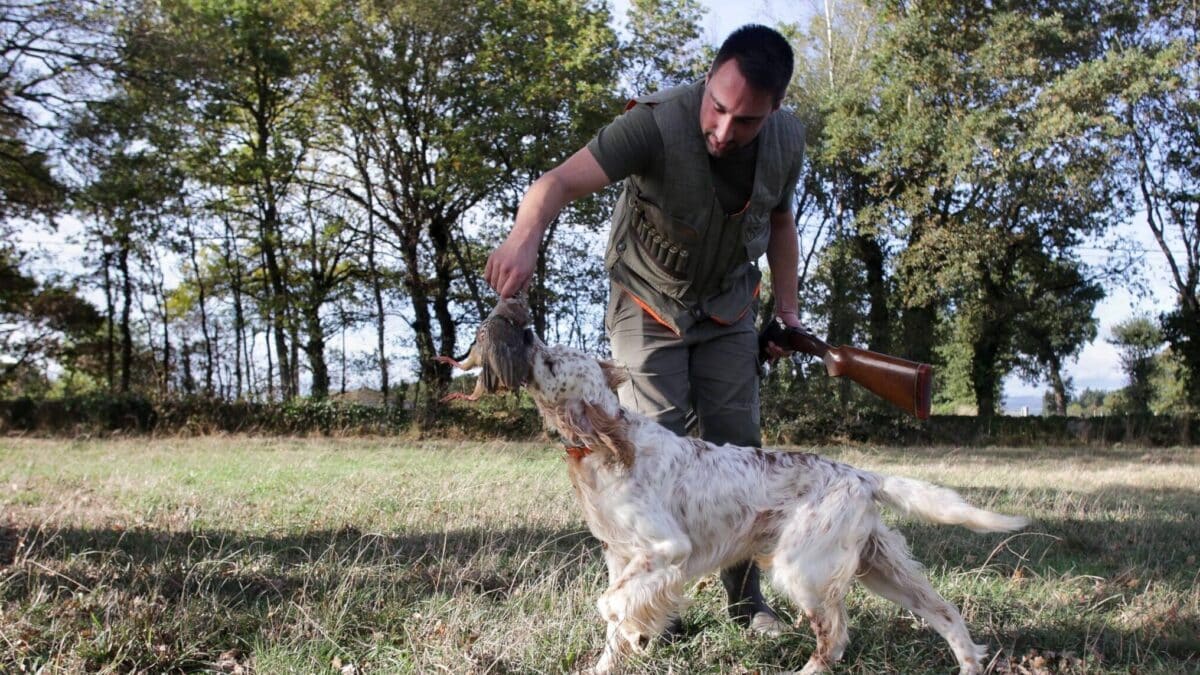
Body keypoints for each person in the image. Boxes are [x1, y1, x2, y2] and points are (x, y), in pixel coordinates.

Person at [485, 24, 806, 636]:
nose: (723, 130)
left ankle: (747, 602)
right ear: (708, 79)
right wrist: (523, 238)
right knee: (653, 443)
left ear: (776, 109)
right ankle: (653, 607)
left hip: (729, 307)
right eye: (717, 107)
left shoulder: (788, 140)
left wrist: (787, 310)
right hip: (648, 299)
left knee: (740, 449)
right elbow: (554, 183)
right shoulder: (655, 123)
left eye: (745, 121)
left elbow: (782, 222)